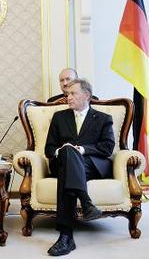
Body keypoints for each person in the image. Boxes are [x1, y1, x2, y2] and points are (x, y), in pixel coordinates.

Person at [44, 79, 115, 256]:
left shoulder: (103, 118)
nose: (68, 97)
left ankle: (66, 236)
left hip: (92, 165)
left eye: (73, 93)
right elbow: (49, 149)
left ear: (87, 95)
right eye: (67, 94)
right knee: (67, 154)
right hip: (63, 162)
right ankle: (85, 202)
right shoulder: (59, 117)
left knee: (68, 166)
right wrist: (64, 150)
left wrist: (82, 150)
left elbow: (107, 147)